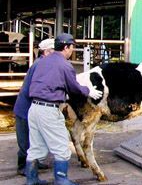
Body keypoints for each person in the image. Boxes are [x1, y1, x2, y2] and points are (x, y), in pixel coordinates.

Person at [25, 33, 103, 185]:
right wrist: (89, 91)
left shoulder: (42, 61)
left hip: (34, 108)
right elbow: (73, 88)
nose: (72, 51)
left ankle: (31, 180)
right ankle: (61, 180)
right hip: (49, 110)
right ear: (66, 47)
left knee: (36, 147)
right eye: (72, 48)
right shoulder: (65, 65)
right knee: (62, 147)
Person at [13, 38, 55, 176]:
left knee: (35, 137)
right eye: (54, 51)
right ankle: (22, 166)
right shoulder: (41, 64)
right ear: (47, 51)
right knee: (25, 140)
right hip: (26, 108)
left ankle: (36, 162)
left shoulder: (42, 63)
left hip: (32, 107)